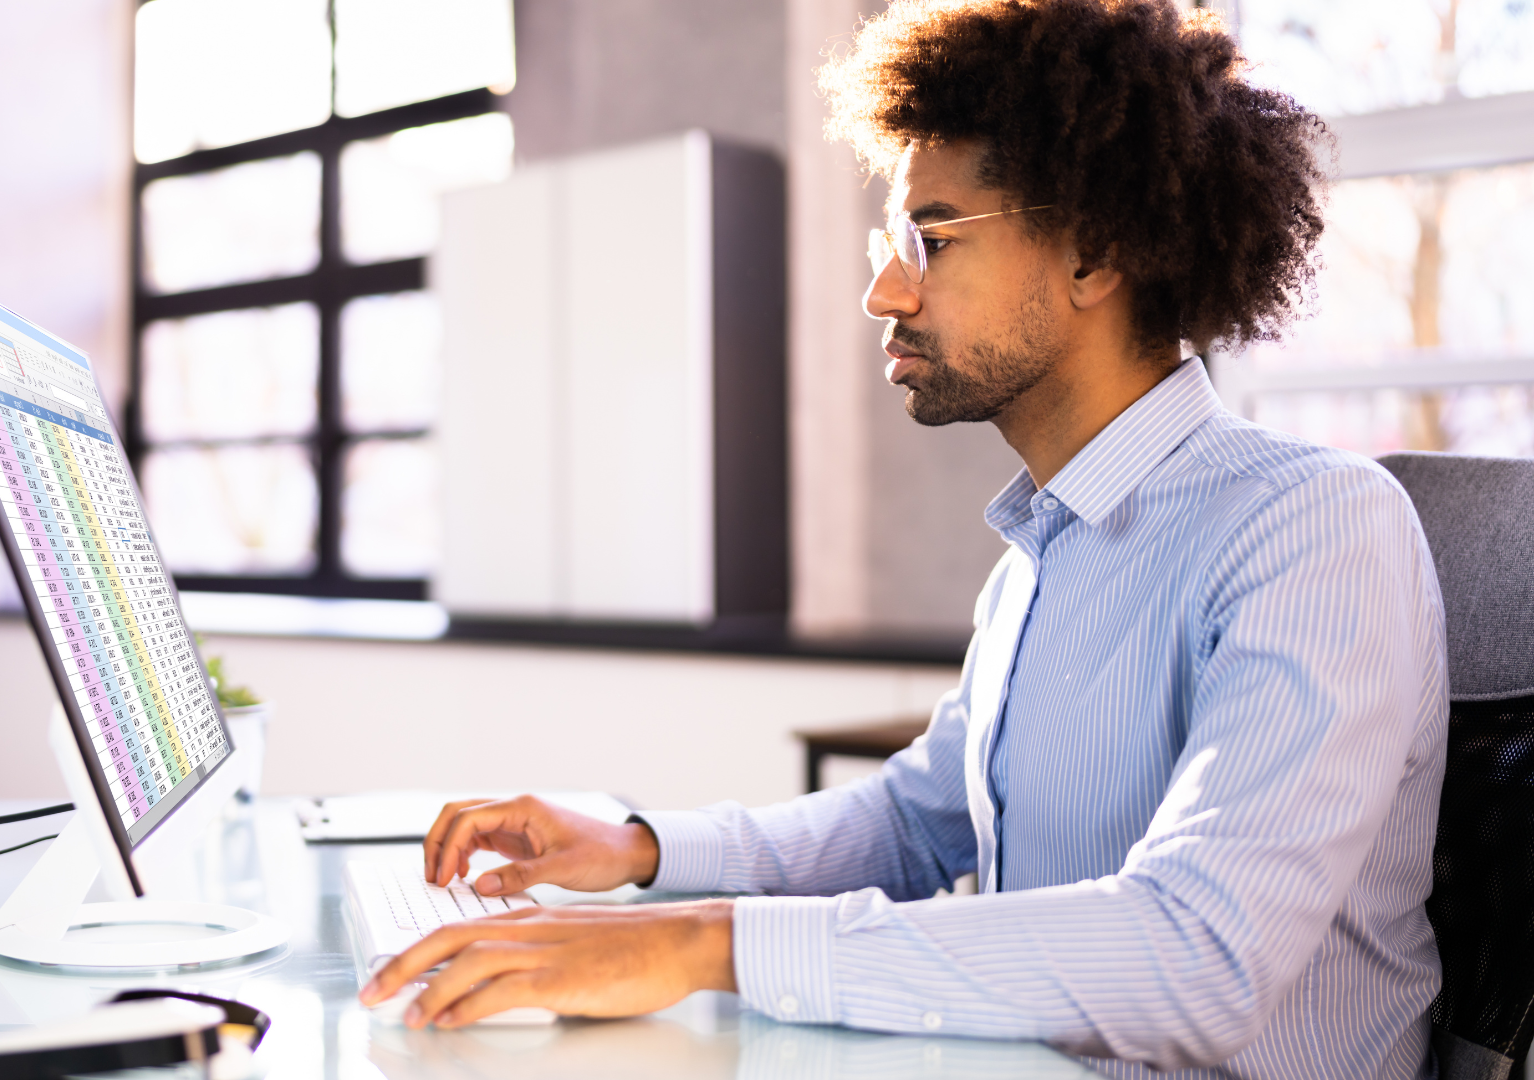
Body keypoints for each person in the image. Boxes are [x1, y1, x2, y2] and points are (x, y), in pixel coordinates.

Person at [360, 1, 1449, 1075]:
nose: (884, 290)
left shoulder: (1313, 531)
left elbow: (1200, 954)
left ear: (1096, 253)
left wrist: (703, 944)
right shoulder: (1041, 551)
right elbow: (915, 824)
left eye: (931, 239)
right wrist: (640, 851)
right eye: (894, 242)